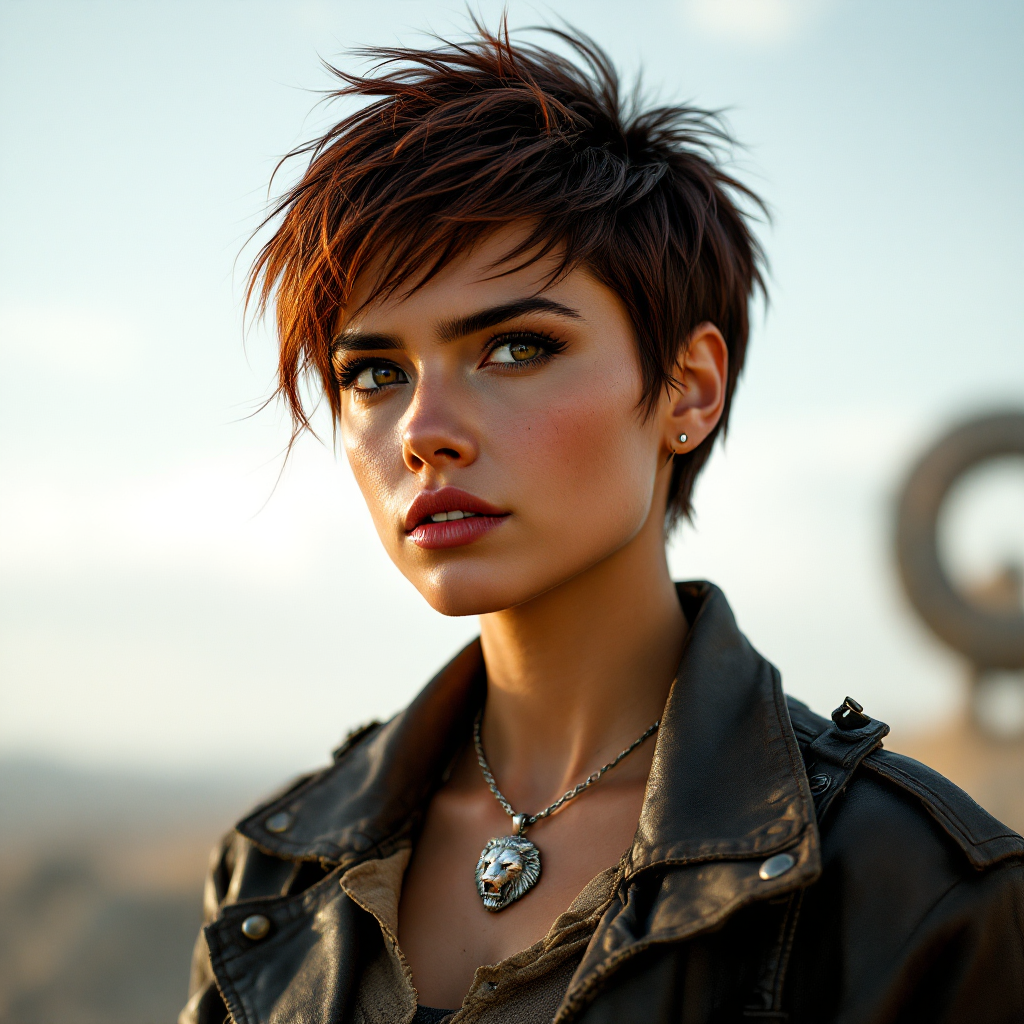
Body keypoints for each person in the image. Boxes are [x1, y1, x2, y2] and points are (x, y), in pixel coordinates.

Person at [180, 23, 1024, 1024]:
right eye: (374, 373)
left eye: (515, 347)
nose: (424, 433)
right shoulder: (273, 877)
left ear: (688, 387)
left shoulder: (914, 889)